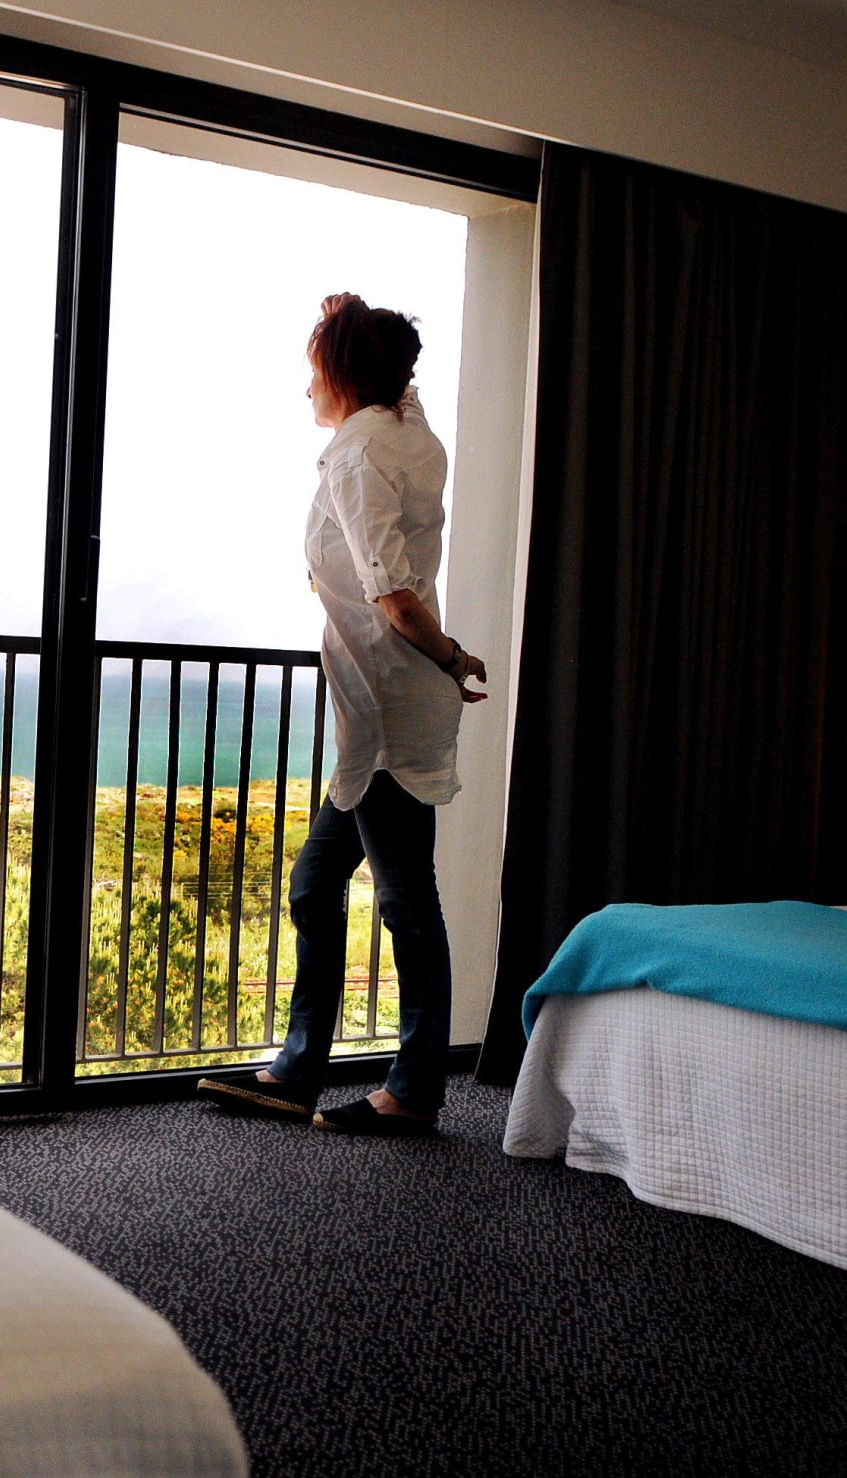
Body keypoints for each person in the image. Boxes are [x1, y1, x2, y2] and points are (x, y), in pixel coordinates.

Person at [197, 293, 486, 1137]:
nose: (306, 389)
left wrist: (450, 658)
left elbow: (391, 595)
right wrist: (346, 316)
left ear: (342, 375)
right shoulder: (408, 434)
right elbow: (398, 384)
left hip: (390, 707)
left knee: (405, 901)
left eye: (314, 371)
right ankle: (297, 1071)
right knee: (315, 884)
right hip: (377, 714)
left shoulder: (357, 457)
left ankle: (414, 1089)